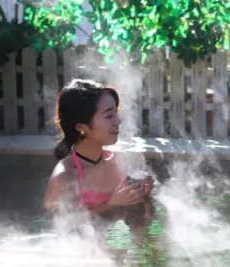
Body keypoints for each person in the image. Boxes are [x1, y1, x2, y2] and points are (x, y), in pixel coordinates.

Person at [44, 79, 154, 215]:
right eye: (109, 115)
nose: (118, 121)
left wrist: (142, 198)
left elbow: (138, 222)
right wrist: (112, 205)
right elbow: (62, 231)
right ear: (81, 127)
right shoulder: (64, 178)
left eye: (116, 112)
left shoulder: (118, 162)